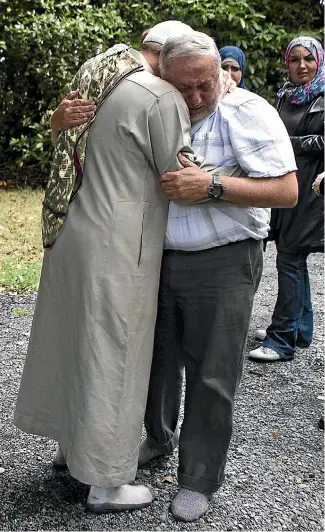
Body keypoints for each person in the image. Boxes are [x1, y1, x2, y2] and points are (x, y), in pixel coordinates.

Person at [13, 21, 196, 514]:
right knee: (117, 355)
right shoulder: (159, 97)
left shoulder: (96, 71)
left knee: (74, 342)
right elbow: (178, 172)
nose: (193, 86)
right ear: (168, 57)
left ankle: (71, 450)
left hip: (72, 228)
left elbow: (67, 142)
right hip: (120, 245)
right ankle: (107, 482)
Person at [137, 33, 298, 522]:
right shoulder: (155, 109)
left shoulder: (248, 111)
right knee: (154, 362)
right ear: (163, 79)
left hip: (223, 261)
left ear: (222, 73)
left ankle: (199, 477)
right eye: (182, 88)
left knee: (212, 373)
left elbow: (287, 190)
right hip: (157, 259)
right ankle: (157, 439)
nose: (196, 98)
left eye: (205, 84)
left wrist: (211, 186)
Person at [249, 36, 324, 363]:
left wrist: (287, 142)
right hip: (287, 186)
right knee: (291, 256)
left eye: (308, 59)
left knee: (290, 259)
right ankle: (300, 329)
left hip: (312, 192)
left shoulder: (322, 96)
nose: (302, 66)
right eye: (295, 60)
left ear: (319, 61)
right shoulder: (285, 96)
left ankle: (281, 340)